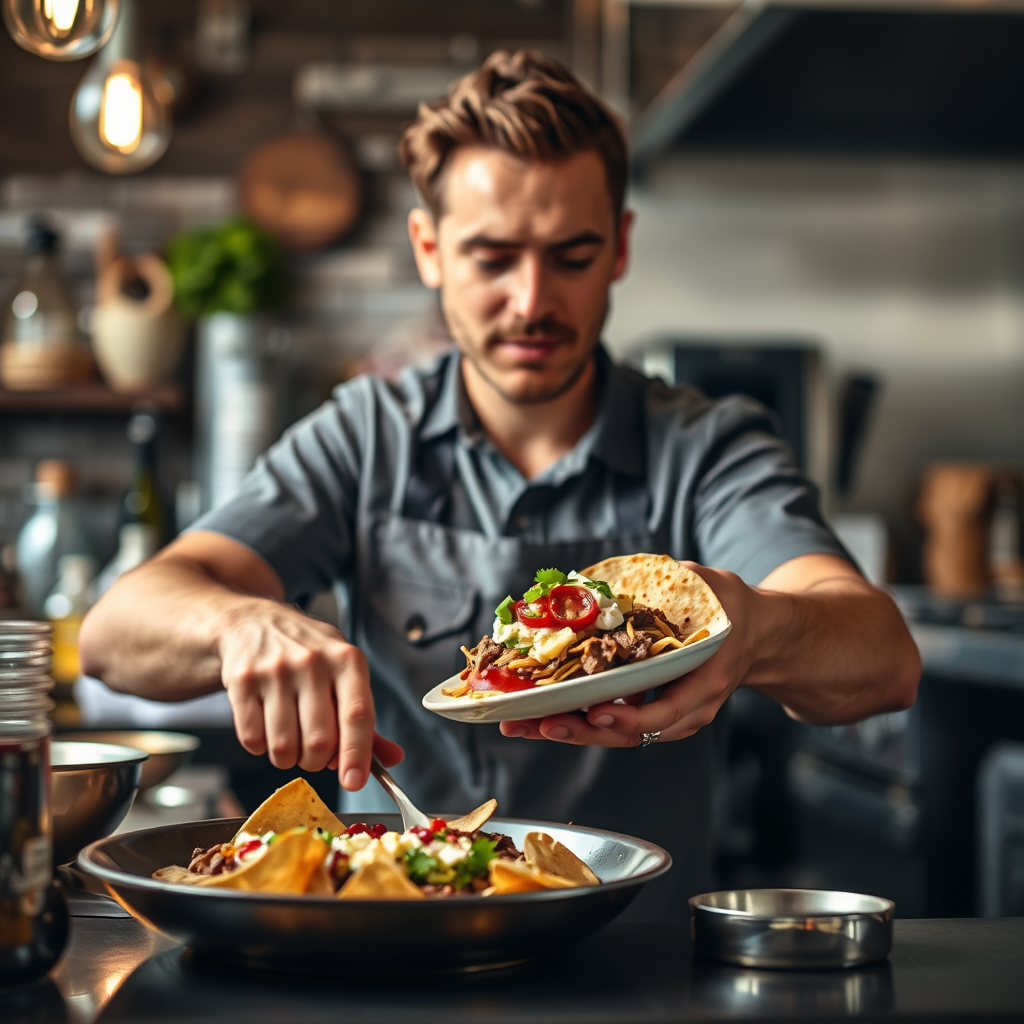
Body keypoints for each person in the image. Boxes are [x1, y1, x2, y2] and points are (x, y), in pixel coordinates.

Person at [79, 50, 920, 917]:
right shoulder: (364, 437)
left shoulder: (709, 447)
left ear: (621, 247)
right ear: (430, 249)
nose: (530, 301)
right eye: (491, 257)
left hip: (634, 964)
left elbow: (884, 660)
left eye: (571, 255)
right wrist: (235, 620)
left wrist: (758, 629)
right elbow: (114, 632)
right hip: (385, 953)